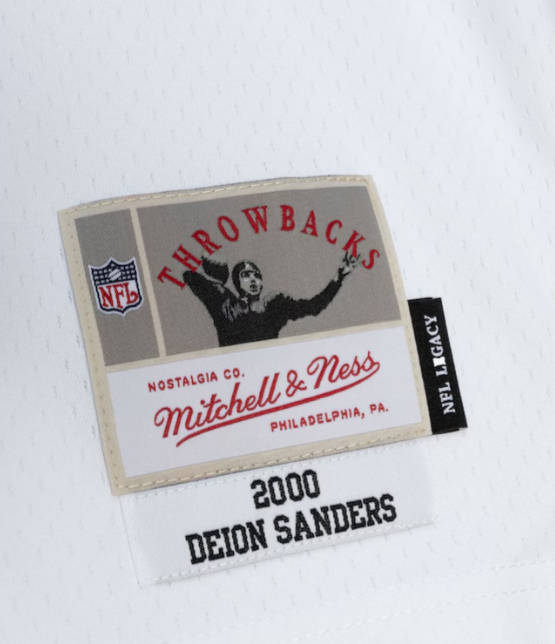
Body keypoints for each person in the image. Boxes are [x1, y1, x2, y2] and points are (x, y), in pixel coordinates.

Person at [182, 253, 359, 347]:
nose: (253, 280)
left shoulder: (274, 304)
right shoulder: (225, 303)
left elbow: (314, 307)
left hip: (268, 370)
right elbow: (189, 276)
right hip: (233, 372)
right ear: (237, 281)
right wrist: (219, 276)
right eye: (246, 275)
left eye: (257, 276)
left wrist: (338, 278)